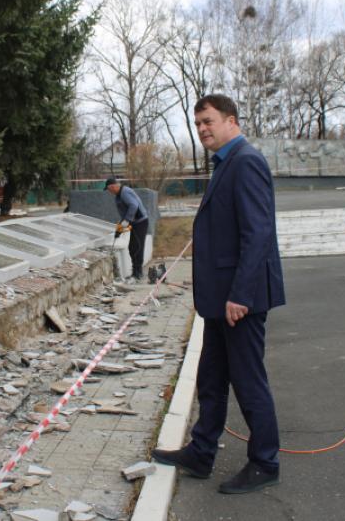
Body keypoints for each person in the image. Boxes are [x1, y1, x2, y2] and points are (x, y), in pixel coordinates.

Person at [151, 94, 285, 495]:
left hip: (239, 300)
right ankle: (201, 451)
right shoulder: (226, 163)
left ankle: (265, 462)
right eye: (197, 124)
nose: (202, 129)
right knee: (211, 378)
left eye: (208, 121)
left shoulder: (246, 161)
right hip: (218, 299)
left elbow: (257, 233)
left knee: (248, 381)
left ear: (231, 121)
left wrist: (240, 295)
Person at [103, 176, 149, 282]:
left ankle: (138, 274)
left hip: (140, 222)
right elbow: (125, 212)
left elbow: (134, 206)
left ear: (113, 186)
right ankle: (135, 272)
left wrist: (127, 220)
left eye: (109, 189)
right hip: (135, 223)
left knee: (137, 247)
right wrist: (120, 228)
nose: (110, 192)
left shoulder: (124, 192)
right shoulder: (119, 195)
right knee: (132, 248)